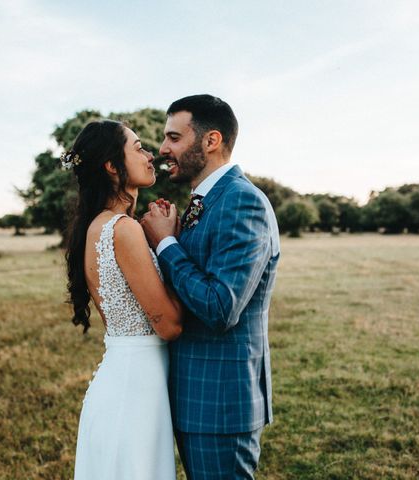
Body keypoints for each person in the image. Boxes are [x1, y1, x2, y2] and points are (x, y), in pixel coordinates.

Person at [141, 94, 280, 479]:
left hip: (219, 402)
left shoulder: (241, 201)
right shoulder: (206, 201)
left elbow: (221, 307)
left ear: (210, 141)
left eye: (173, 137)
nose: (163, 149)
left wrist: (166, 244)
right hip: (194, 397)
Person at [64, 120, 183, 479]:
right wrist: (168, 243)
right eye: (138, 147)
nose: (150, 155)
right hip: (136, 390)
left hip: (123, 380)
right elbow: (170, 326)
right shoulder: (123, 229)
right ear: (112, 166)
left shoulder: (97, 225)